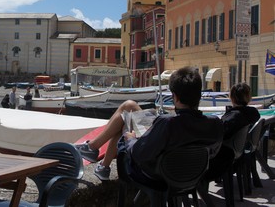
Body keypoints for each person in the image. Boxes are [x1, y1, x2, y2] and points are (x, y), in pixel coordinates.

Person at [76, 66, 224, 182]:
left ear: (175, 97)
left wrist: (130, 139)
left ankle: (95, 154)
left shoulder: (167, 123)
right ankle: (100, 162)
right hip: (192, 176)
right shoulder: (214, 124)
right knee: (130, 109)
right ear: (199, 95)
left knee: (127, 113)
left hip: (155, 175)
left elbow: (139, 154)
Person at [204, 82, 260, 181]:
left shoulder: (233, 117)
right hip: (240, 151)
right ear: (248, 97)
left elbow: (220, 135)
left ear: (231, 97)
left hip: (226, 156)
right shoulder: (253, 113)